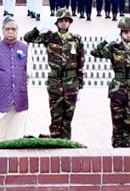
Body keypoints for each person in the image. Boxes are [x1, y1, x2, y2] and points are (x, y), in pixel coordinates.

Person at [23, 8, 85, 139]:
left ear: (70, 22)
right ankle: (55, 142)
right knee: (56, 114)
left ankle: (66, 143)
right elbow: (27, 38)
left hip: (71, 82)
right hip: (55, 81)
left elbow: (80, 63)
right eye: (61, 20)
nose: (63, 23)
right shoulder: (50, 37)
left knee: (68, 117)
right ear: (56, 23)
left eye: (66, 20)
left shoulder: (76, 39)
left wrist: (80, 86)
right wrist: (40, 28)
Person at [90, 17, 130, 148]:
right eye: (125, 32)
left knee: (128, 124)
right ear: (120, 33)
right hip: (117, 90)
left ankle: (126, 151)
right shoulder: (113, 48)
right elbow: (95, 52)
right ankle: (116, 153)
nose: (129, 34)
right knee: (117, 123)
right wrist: (106, 41)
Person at [0, 18, 32, 145]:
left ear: (17, 31)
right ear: (3, 31)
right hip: (1, 95)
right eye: (7, 29)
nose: (10, 32)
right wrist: (1, 87)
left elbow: (28, 73)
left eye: (13, 29)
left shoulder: (25, 48)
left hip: (20, 96)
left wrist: (18, 85)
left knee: (16, 130)